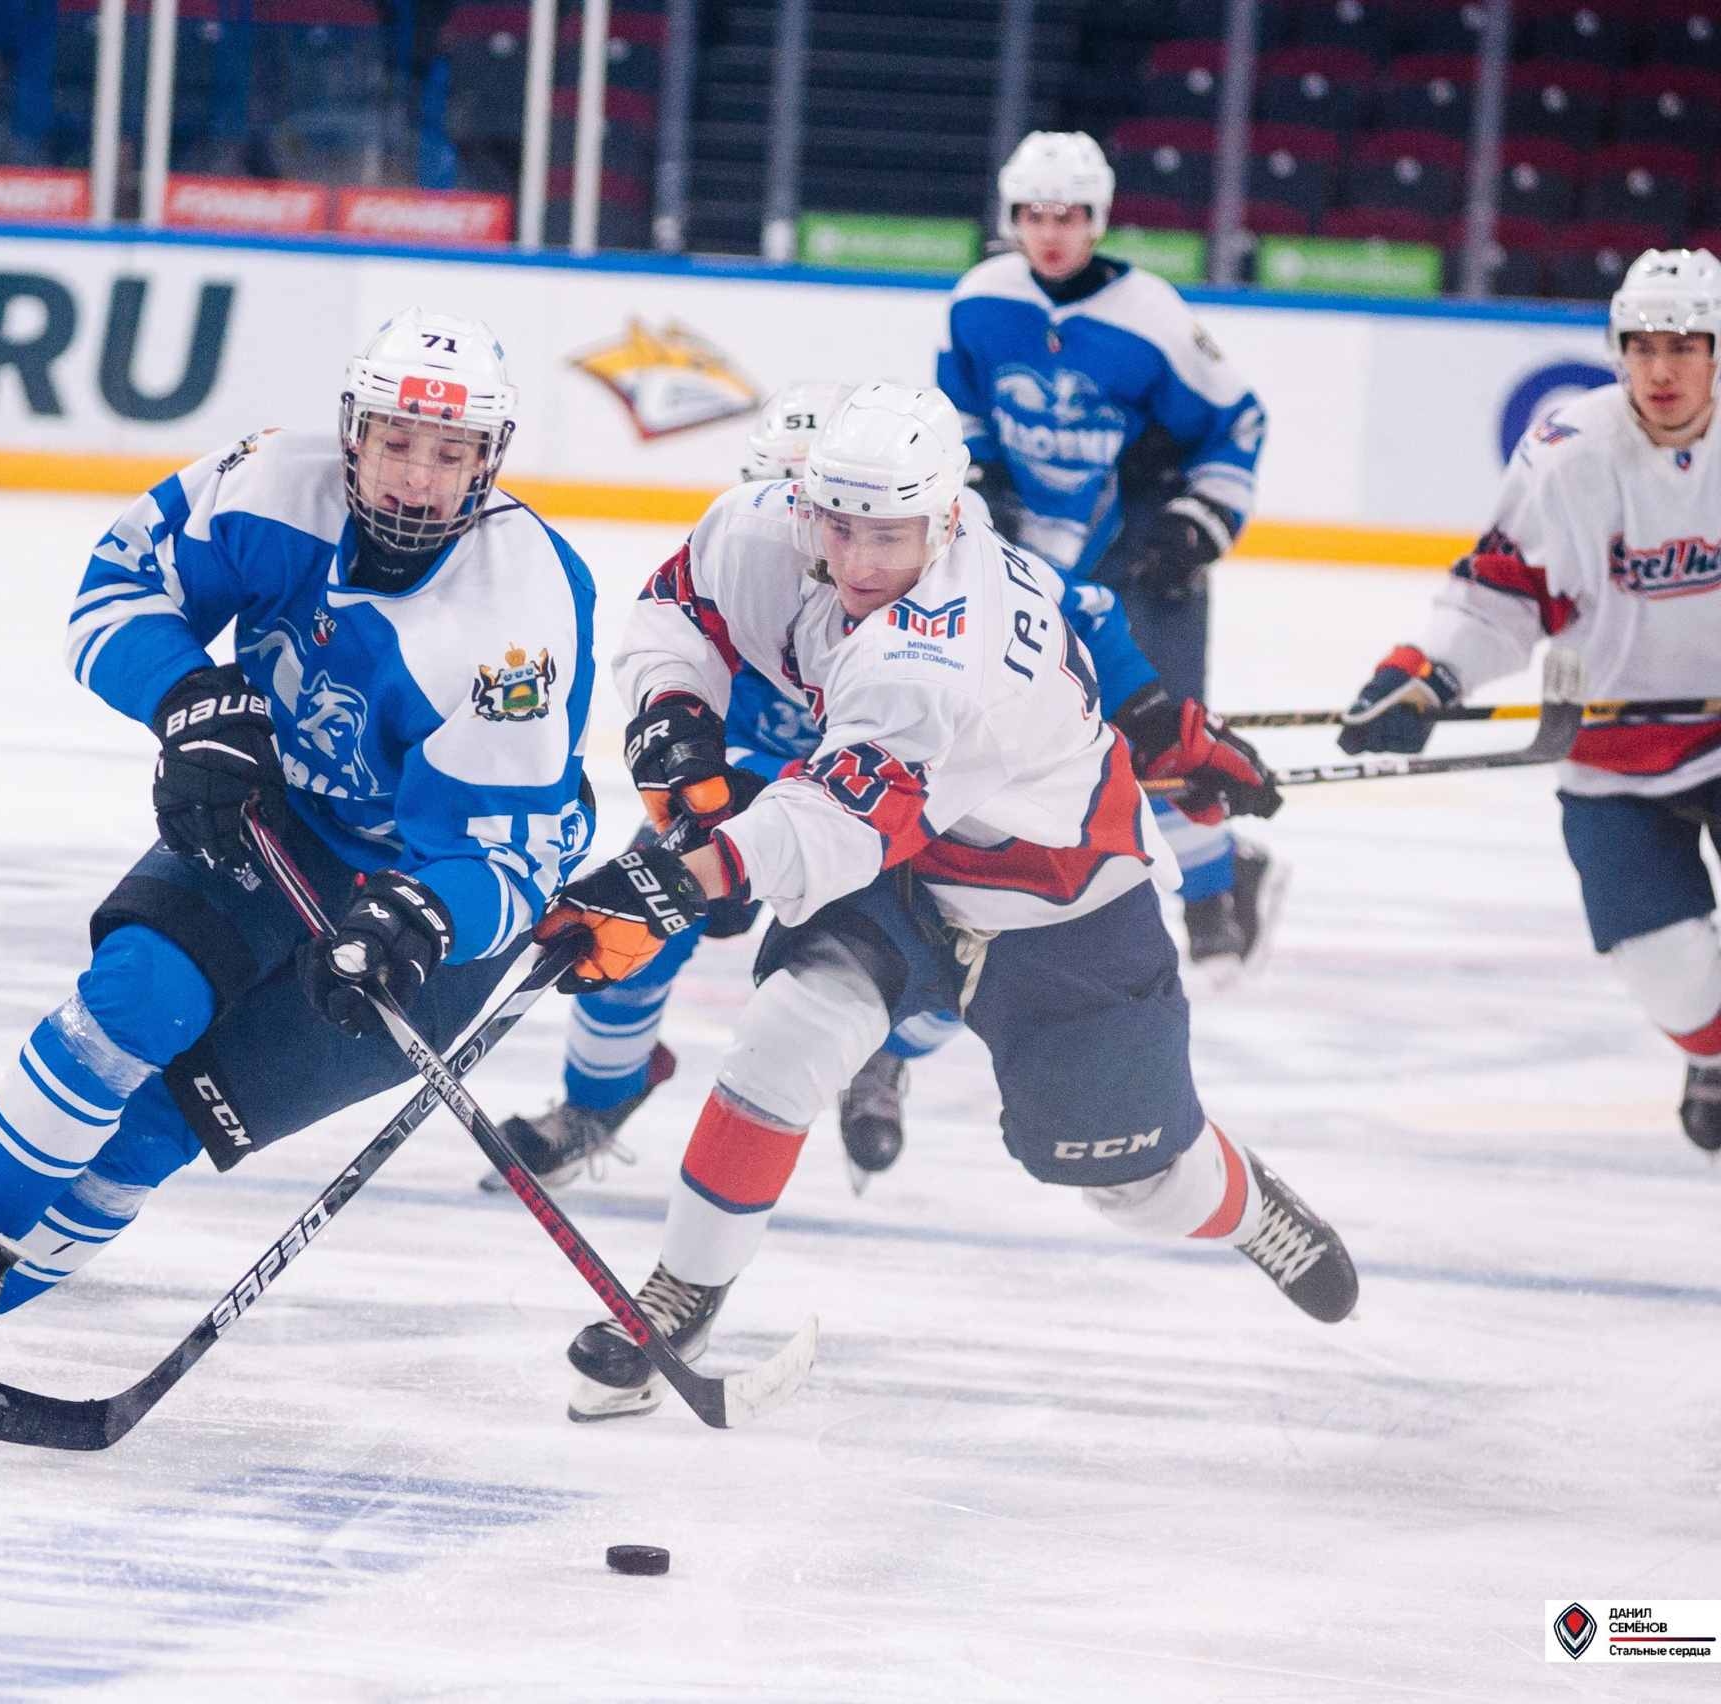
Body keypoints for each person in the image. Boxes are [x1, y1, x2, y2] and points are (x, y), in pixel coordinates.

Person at [0, 310, 598, 1409]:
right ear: (351, 436)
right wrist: (188, 700)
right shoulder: (268, 488)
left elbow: (505, 854)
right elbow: (112, 592)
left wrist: (420, 917)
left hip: (439, 908)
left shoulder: (514, 616)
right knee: (132, 1003)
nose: (418, 480)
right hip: (269, 827)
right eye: (396, 444)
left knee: (156, 1129)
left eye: (450, 454)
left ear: (489, 462)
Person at [537, 385, 1350, 1423]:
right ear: (803, 506)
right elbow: (678, 610)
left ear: (948, 520)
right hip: (906, 872)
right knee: (783, 1038)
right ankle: (684, 1294)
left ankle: (1239, 1205)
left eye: (891, 535)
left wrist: (672, 880)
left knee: (1127, 1178)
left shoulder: (937, 646)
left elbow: (839, 824)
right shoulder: (766, 531)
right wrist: (673, 717)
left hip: (1054, 894)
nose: (863, 561)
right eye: (841, 528)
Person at [495, 379, 1281, 1196]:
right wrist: (679, 738)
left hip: (903, 812)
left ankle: (887, 1054)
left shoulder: (951, 607)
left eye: (876, 527)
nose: (848, 560)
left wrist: (1153, 721)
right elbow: (678, 623)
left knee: (955, 938)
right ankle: (600, 1096)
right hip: (769, 790)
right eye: (824, 517)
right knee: (640, 921)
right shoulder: (757, 564)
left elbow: (1078, 613)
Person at [1341, 248, 1721, 1152]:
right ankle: (1712, 1050)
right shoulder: (1569, 456)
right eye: (1641, 344)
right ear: (1617, 347)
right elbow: (1503, 595)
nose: (1661, 368)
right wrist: (1426, 675)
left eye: (1684, 344)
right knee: (1673, 983)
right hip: (1613, 768)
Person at [939, 130, 1281, 978]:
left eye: (1070, 215)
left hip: (1140, 560)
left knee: (1161, 742)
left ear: (1099, 219)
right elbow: (959, 410)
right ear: (1012, 216)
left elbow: (1238, 421)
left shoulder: (1150, 315)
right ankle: (1207, 875)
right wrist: (973, 470)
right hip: (1027, 560)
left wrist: (1198, 521)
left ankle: (1212, 894)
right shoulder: (979, 301)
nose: (1051, 231)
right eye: (1033, 213)